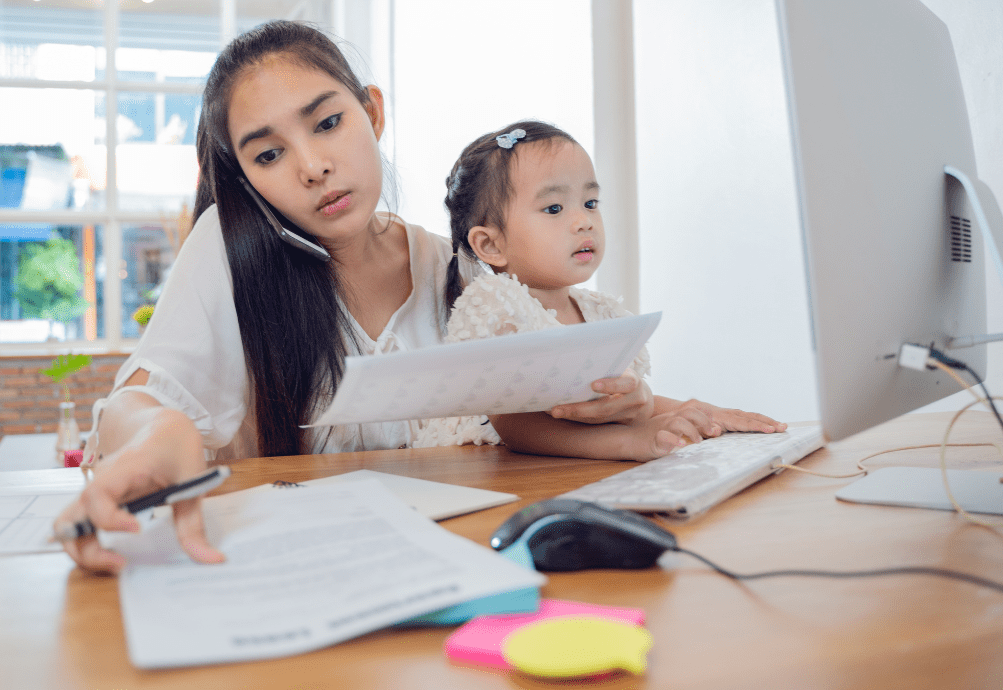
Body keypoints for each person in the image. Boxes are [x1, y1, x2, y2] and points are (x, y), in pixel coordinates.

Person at [53, 23, 715, 574]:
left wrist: (615, 410)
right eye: (269, 155)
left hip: (441, 569)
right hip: (281, 575)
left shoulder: (454, 270)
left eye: (329, 122)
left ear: (373, 111)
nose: (312, 165)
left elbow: (523, 418)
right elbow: (141, 395)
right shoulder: (228, 253)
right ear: (245, 179)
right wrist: (159, 435)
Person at [412, 121, 786, 460]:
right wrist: (632, 440)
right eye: (554, 208)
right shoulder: (497, 304)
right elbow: (515, 426)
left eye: (590, 203)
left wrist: (698, 411)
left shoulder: (599, 310)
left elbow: (614, 401)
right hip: (473, 474)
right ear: (491, 245)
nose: (583, 221)